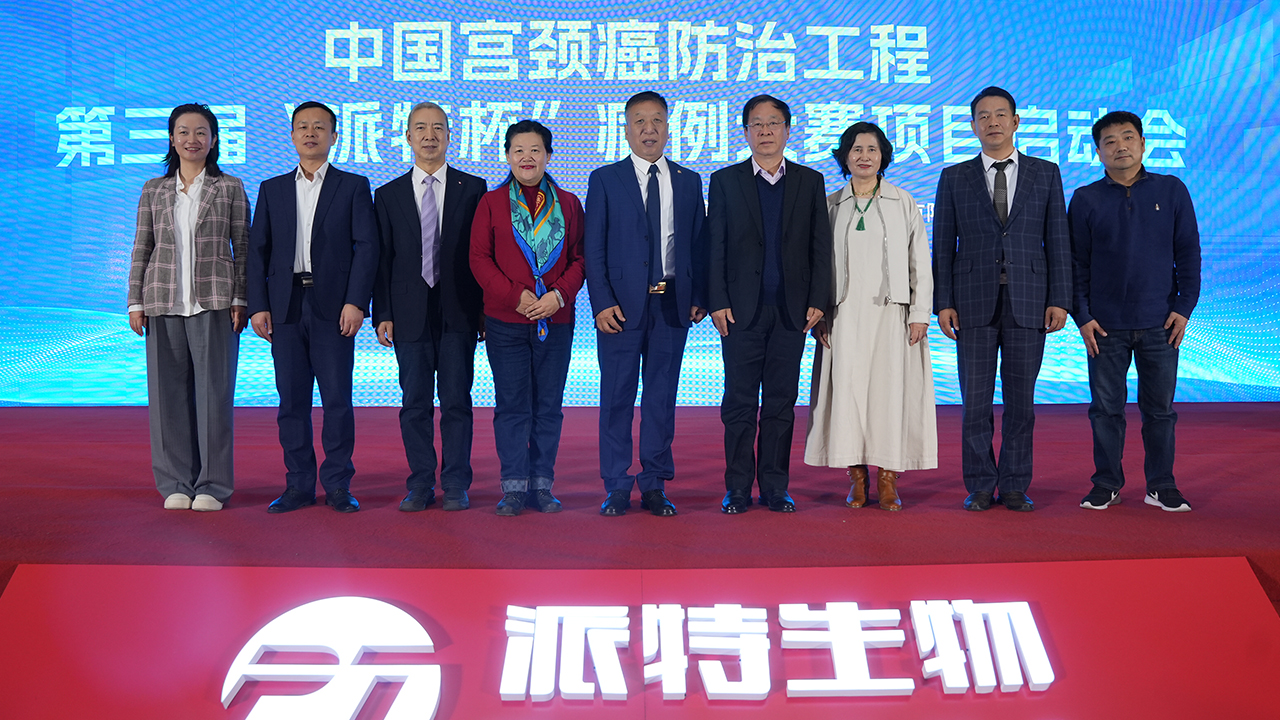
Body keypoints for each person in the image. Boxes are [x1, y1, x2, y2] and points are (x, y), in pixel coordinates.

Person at [932, 86, 1072, 512]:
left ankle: (1013, 484)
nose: (992, 122)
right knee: (975, 403)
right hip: (971, 303)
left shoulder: (1045, 173)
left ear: (1015, 121)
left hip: (1030, 301)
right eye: (983, 116)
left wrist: (1060, 298)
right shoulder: (954, 177)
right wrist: (943, 301)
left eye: (999, 114)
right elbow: (943, 245)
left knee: (1021, 404)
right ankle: (979, 484)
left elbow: (1057, 239)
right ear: (973, 125)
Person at [247, 102, 379, 514]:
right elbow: (257, 251)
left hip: (334, 307)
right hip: (285, 306)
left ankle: (338, 484)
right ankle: (298, 485)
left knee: (337, 399)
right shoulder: (272, 189)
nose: (310, 133)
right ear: (291, 136)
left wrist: (356, 302)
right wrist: (258, 305)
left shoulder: (353, 185)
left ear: (334, 136)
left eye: (319, 127)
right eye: (302, 126)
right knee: (291, 401)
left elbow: (367, 248)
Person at [1068, 111, 1201, 512]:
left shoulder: (1171, 189)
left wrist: (1184, 307)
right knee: (1105, 411)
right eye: (1110, 141)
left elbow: (1188, 253)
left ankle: (1161, 484)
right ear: (1098, 152)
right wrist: (1082, 315)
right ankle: (1106, 483)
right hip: (1104, 326)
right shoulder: (1086, 198)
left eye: (1128, 138)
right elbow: (1076, 264)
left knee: (1160, 411)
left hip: (1161, 322)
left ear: (1143, 144)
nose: (1120, 146)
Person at [707, 95, 832, 514]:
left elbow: (820, 246)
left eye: (773, 123)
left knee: (780, 403)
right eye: (756, 124)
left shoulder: (809, 181)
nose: (765, 131)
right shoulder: (725, 181)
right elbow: (715, 246)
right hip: (740, 312)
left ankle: (776, 487)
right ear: (746, 132)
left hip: (791, 312)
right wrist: (717, 301)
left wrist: (818, 300)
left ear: (787, 130)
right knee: (739, 403)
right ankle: (738, 488)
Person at [585, 91, 707, 518]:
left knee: (661, 398)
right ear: (626, 129)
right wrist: (601, 303)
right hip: (620, 309)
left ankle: (655, 483)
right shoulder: (605, 179)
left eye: (657, 120)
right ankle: (617, 485)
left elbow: (698, 244)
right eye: (639, 121)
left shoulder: (689, 180)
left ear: (669, 127)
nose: (649, 129)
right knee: (616, 398)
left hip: (671, 305)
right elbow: (593, 247)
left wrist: (699, 297)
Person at [805, 122, 937, 510]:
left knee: (889, 394)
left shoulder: (902, 201)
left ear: (883, 157)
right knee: (848, 395)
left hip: (892, 316)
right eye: (857, 149)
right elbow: (816, 264)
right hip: (842, 316)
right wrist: (819, 314)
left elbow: (919, 262)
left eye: (872, 150)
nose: (864, 156)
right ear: (844, 157)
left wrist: (920, 313)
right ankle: (857, 476)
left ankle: (889, 477)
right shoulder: (830, 204)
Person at [127, 103, 249, 512]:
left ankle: (213, 484)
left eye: (201, 132)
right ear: (172, 138)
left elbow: (243, 247)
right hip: (162, 301)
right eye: (183, 131)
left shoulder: (229, 187)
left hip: (214, 301)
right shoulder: (154, 189)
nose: (192, 139)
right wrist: (135, 300)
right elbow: (142, 247)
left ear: (213, 140)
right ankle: (175, 482)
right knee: (167, 398)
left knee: (214, 396)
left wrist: (240, 298)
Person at [373, 102, 487, 513]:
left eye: (438, 128)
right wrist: (382, 312)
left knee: (457, 401)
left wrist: (483, 312)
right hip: (408, 312)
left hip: (459, 309)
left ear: (449, 136)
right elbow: (382, 259)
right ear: (407, 137)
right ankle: (420, 483)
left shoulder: (473, 188)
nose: (429, 136)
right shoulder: (387, 194)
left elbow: (482, 255)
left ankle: (455, 482)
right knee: (414, 403)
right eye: (420, 128)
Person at [470, 120, 585, 516]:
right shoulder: (491, 203)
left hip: (556, 320)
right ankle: (514, 487)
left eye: (535, 150)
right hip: (506, 321)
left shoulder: (568, 203)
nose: (527, 157)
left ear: (548, 155)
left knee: (549, 406)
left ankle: (542, 485)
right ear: (507, 156)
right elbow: (479, 259)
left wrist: (558, 296)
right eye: (518, 150)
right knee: (513, 405)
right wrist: (514, 296)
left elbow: (580, 259)